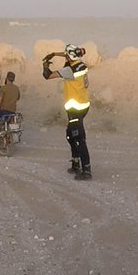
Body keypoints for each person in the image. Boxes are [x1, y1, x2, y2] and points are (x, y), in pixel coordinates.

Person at [43, 44, 92, 180]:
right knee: (70, 135)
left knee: (79, 139)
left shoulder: (69, 71)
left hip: (75, 109)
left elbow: (47, 76)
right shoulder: (81, 65)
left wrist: (45, 64)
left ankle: (86, 170)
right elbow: (69, 55)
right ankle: (76, 163)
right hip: (83, 106)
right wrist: (54, 53)